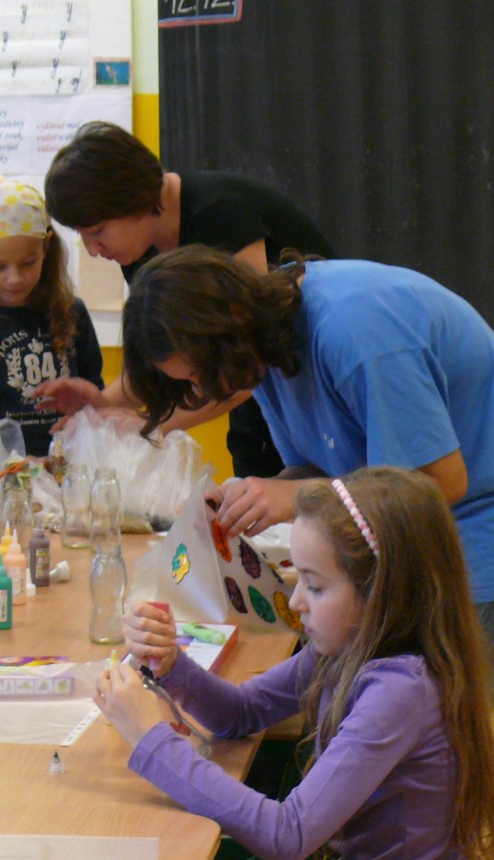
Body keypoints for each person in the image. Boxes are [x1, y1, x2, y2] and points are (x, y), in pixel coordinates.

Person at [95, 468, 494, 860]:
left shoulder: (402, 691)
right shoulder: (348, 645)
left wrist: (150, 738)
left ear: (382, 592)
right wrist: (171, 663)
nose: (296, 600)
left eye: (315, 585)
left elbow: (287, 836)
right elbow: (241, 713)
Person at [121, 244, 494, 643]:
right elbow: (321, 471)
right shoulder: (264, 345)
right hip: (415, 539)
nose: (205, 389)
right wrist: (254, 496)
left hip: (472, 541)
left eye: (200, 372)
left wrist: (298, 495)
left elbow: (438, 483)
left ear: (229, 324)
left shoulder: (354, 331)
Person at [37, 121, 338, 477]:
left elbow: (249, 360)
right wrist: (104, 404)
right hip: (266, 399)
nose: (92, 249)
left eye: (98, 231)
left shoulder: (220, 212)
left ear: (134, 198)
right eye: (82, 235)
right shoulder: (139, 247)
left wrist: (150, 427)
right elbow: (169, 356)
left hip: (322, 385)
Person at [0, 173, 104, 457]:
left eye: (28, 263)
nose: (14, 278)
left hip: (72, 460)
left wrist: (85, 422)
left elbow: (94, 395)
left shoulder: (72, 311)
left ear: (46, 247)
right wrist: (15, 465)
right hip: (4, 470)